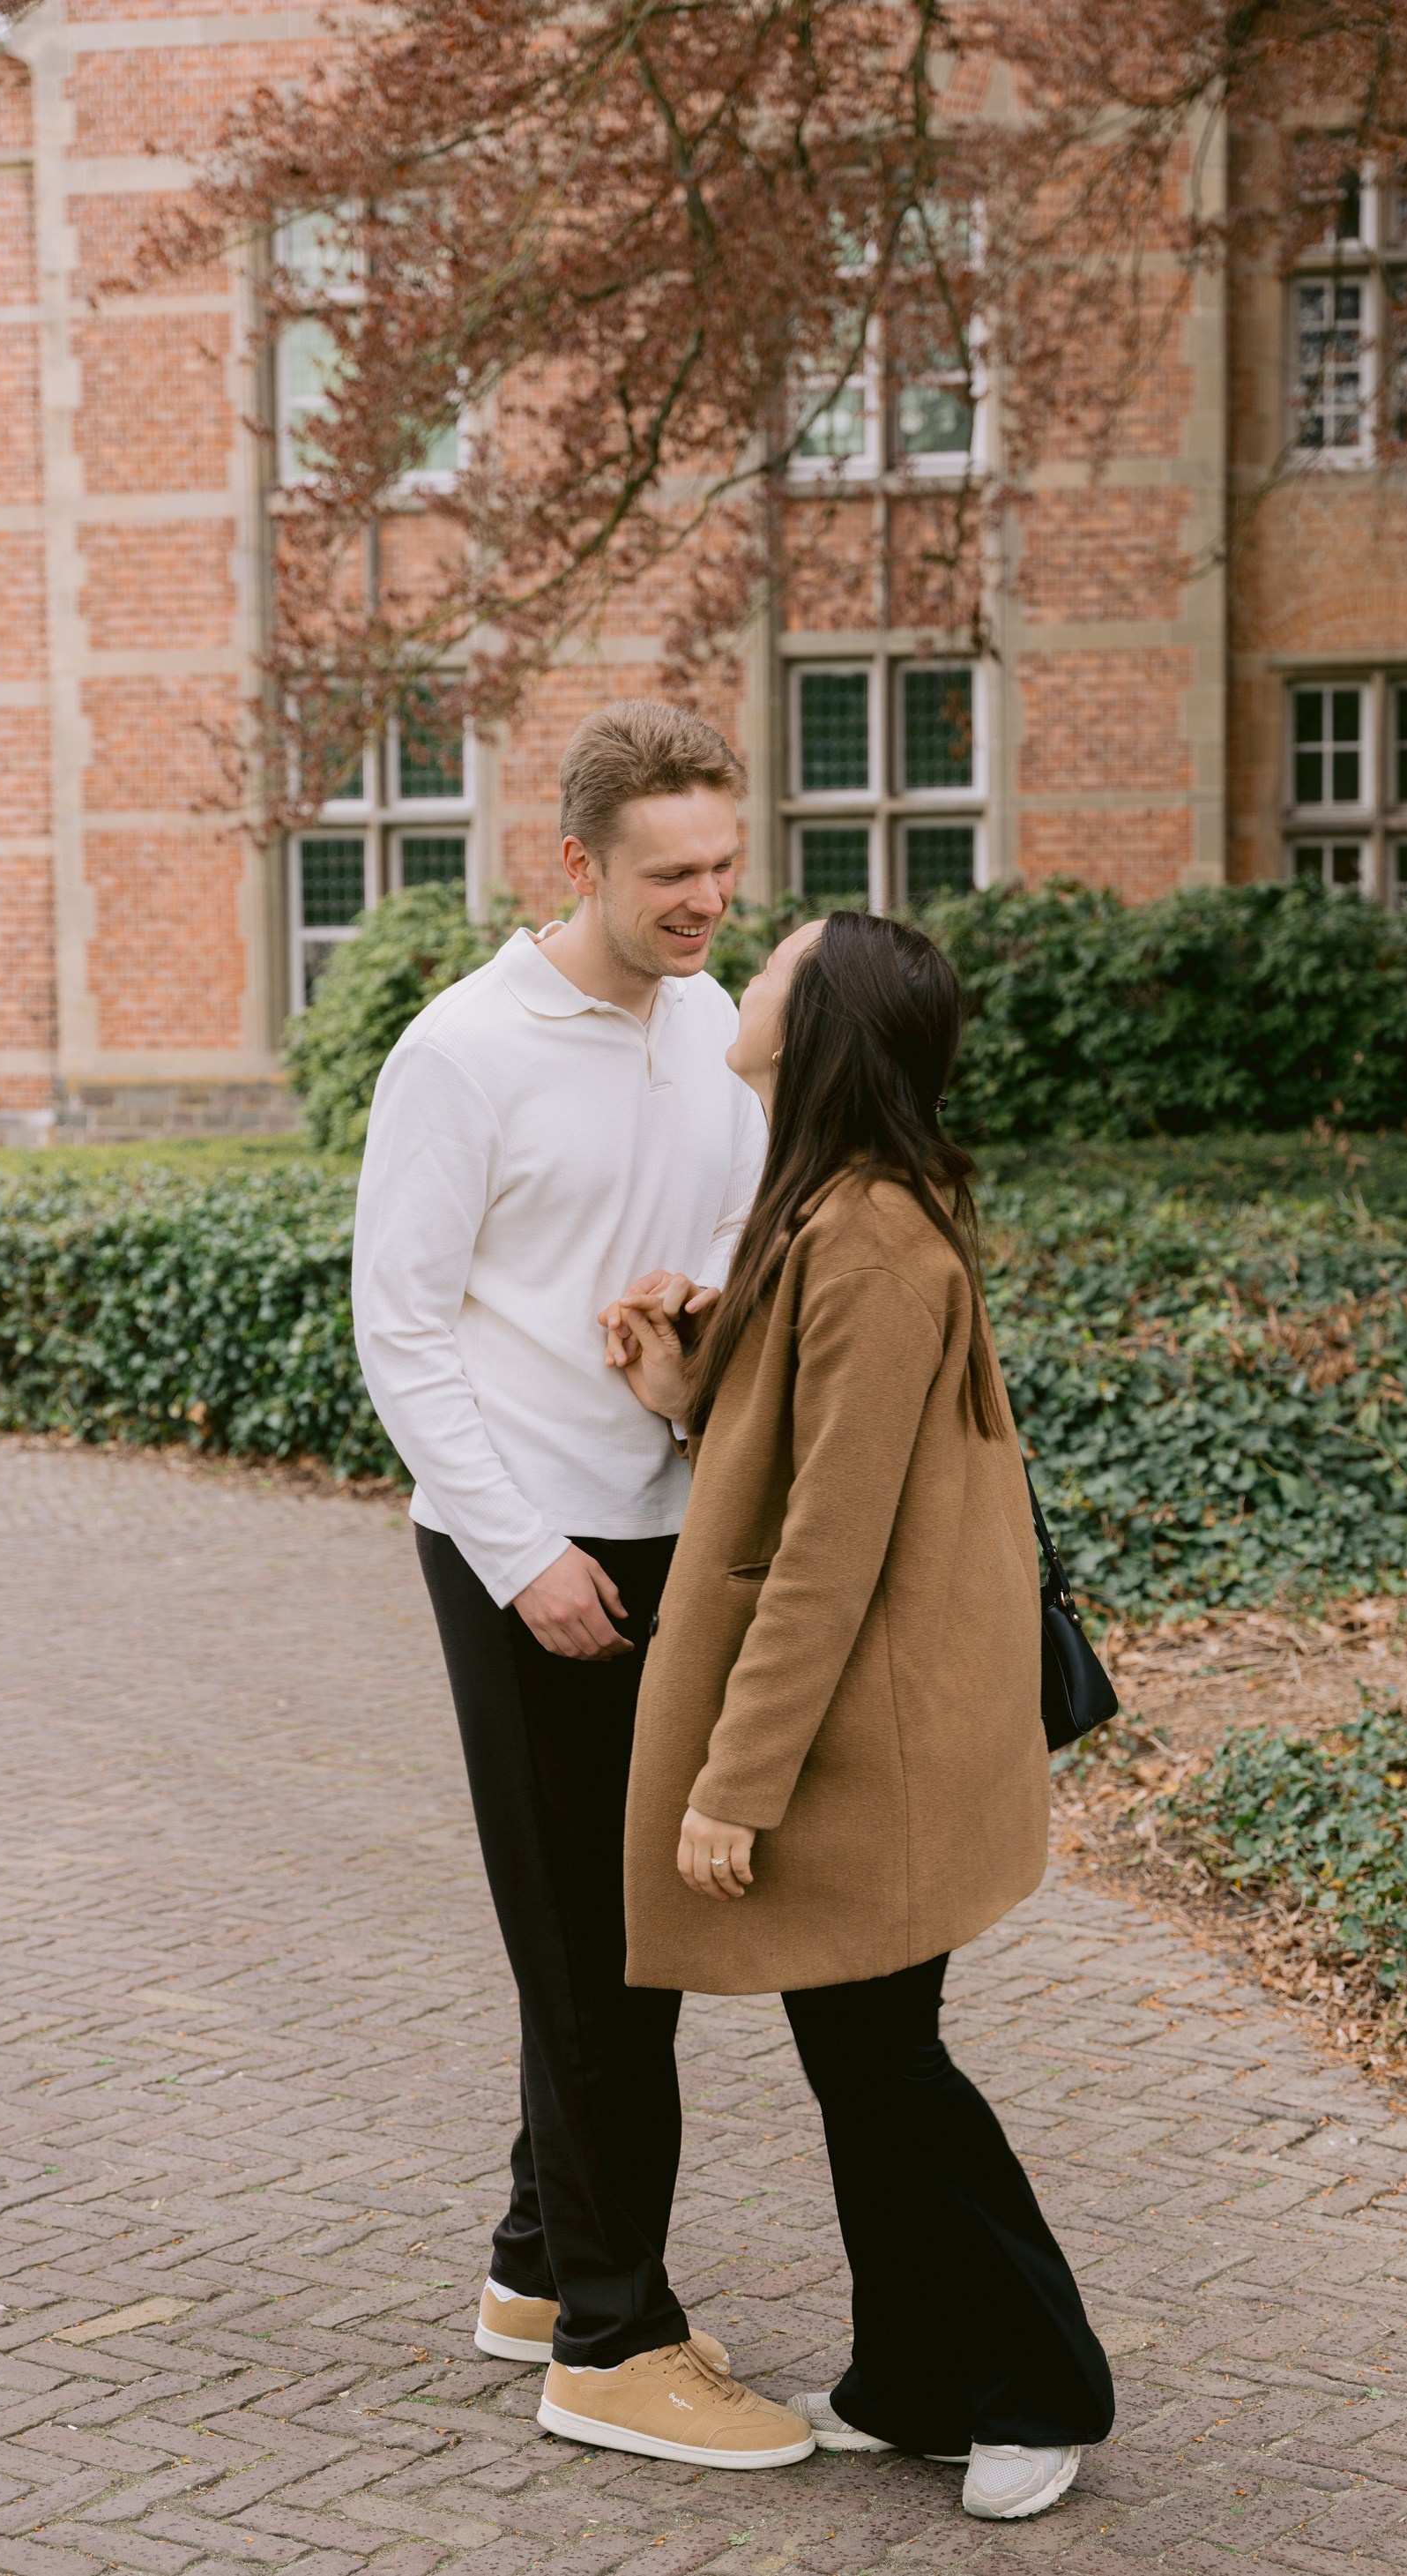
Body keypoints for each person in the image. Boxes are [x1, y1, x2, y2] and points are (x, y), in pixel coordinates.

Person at [606, 909, 1116, 2521]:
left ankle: (1040, 2383)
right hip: (863, 1725)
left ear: (814, 1019)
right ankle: (908, 2377)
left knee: (885, 2063)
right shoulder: (819, 1210)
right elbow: (793, 1453)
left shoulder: (873, 1240)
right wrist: (688, 1388)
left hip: (871, 1739)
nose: (742, 974)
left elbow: (824, 1548)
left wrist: (730, 1784)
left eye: (771, 962)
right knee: (861, 2054)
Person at [352, 700, 815, 2471]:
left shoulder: (716, 1028)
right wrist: (519, 1549)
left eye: (721, 864)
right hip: (520, 1545)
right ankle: (615, 2346)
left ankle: (542, 2264)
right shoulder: (460, 1053)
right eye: (669, 874)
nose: (707, 901)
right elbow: (401, 1329)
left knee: (627, 1938)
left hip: (668, 1526)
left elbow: (733, 1254)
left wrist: (699, 1340)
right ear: (576, 864)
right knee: (590, 1949)